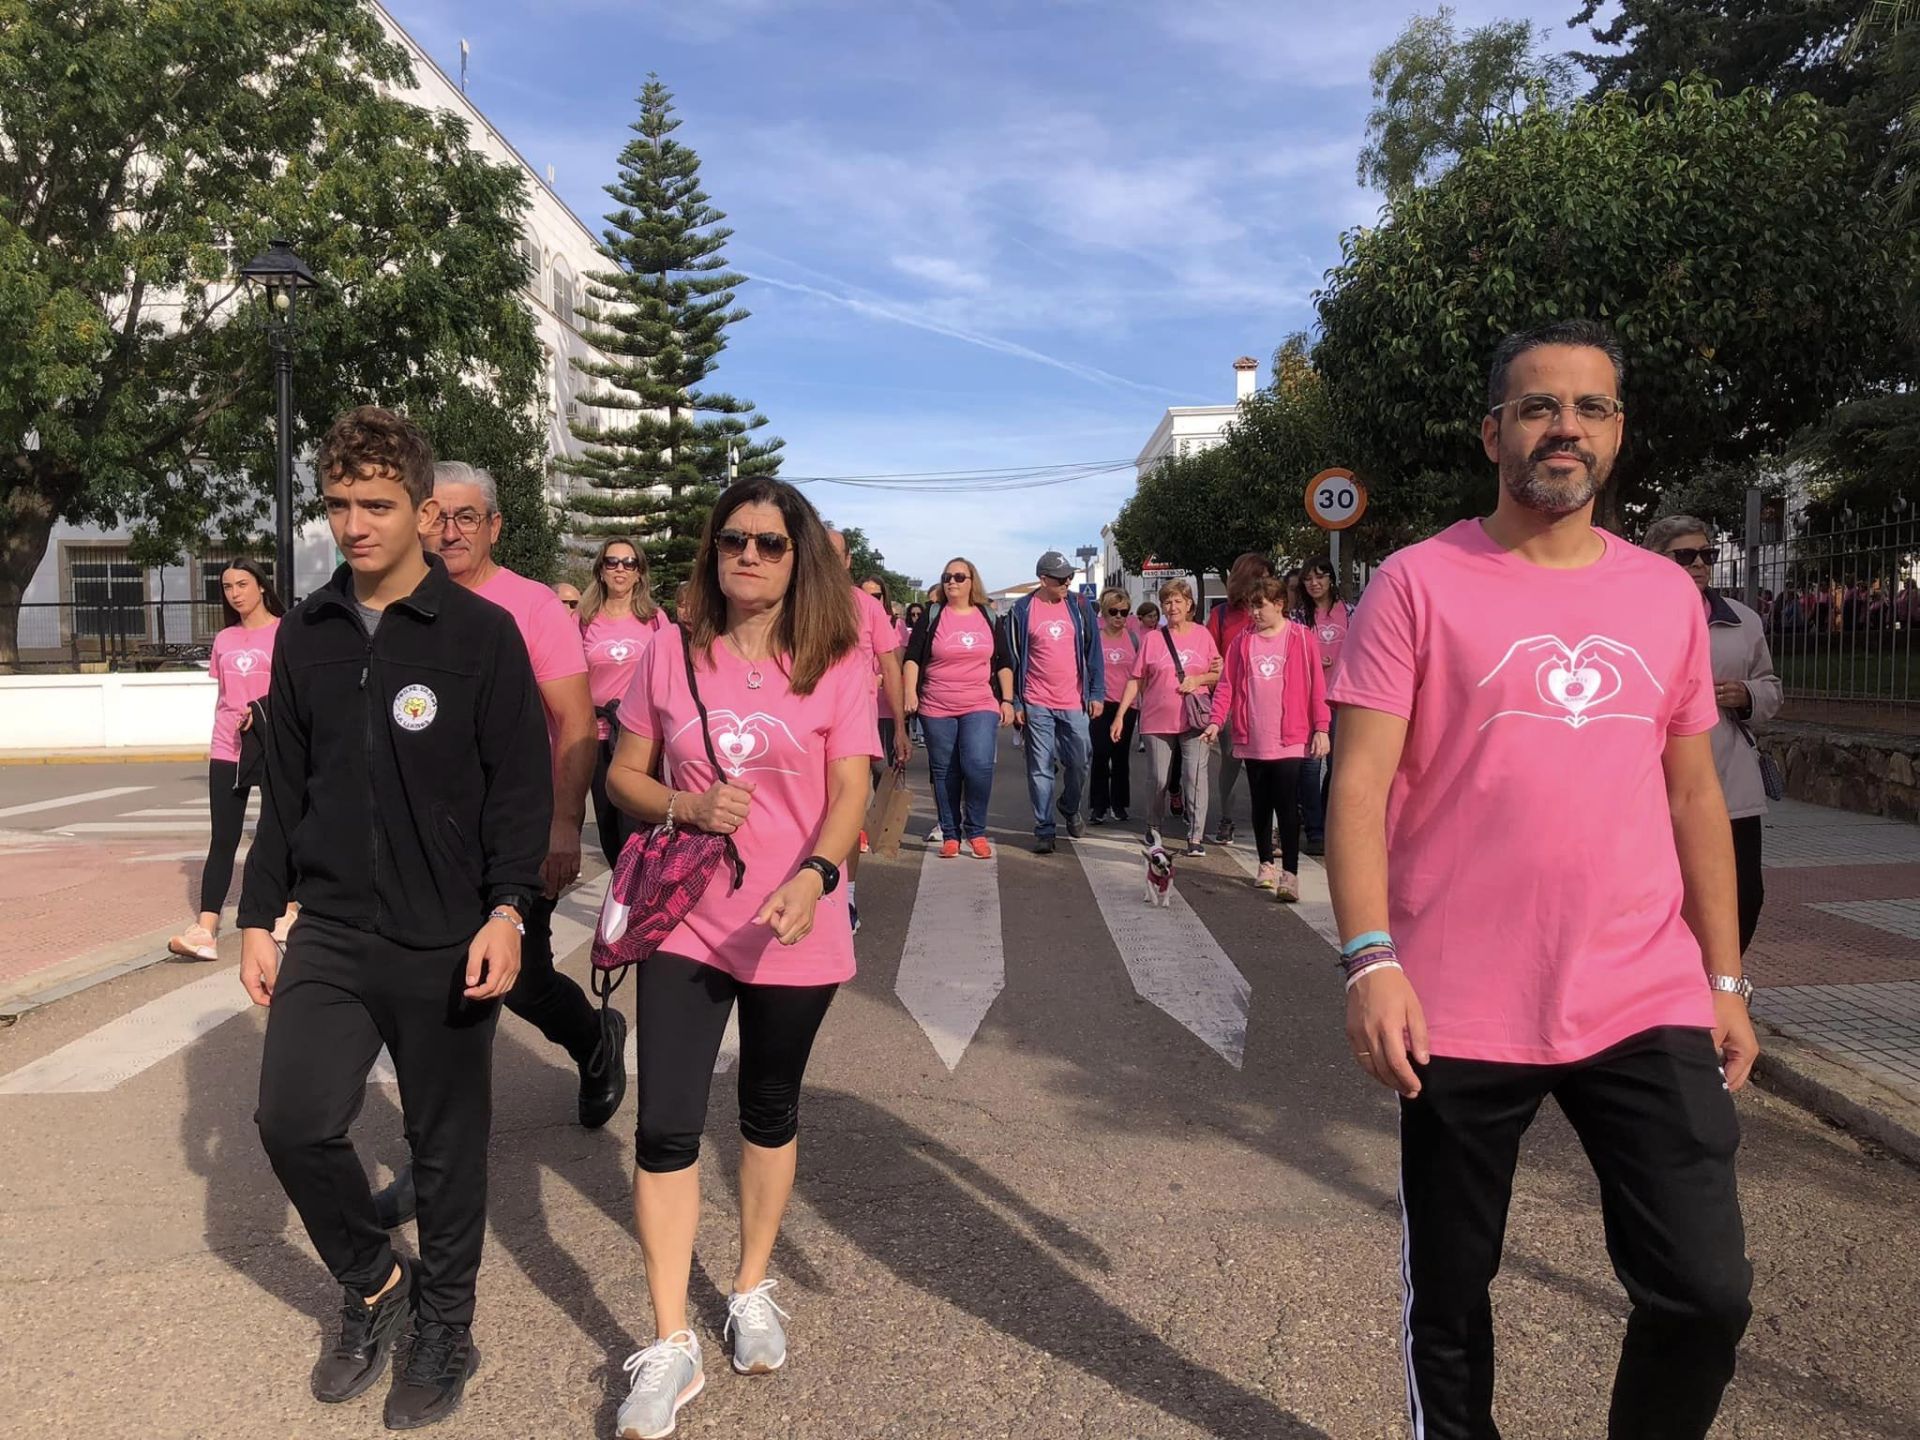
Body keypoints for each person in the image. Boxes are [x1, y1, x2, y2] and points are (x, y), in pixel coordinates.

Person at [1329, 320, 1757, 1440]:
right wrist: (1370, 960)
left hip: (1641, 992)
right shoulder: (1416, 585)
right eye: (1538, 407)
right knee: (1456, 1304)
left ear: (1617, 435)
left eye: (1591, 408)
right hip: (1458, 999)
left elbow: (1694, 796)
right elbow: (1361, 788)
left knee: (1705, 1294)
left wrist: (1726, 980)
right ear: (1493, 433)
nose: (1565, 428)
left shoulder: (1665, 596)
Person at [240, 406, 548, 1429]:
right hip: (328, 925)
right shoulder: (309, 631)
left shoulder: (479, 635)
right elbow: (283, 784)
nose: (355, 524)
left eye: (377, 504)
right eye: (339, 504)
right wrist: (253, 916)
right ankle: (376, 1282)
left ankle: (447, 1325)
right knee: (290, 1118)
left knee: (448, 1143)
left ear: (425, 511)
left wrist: (508, 909)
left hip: (445, 931)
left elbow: (520, 789)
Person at [603, 478, 876, 1437]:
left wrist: (814, 875)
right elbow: (622, 775)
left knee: (766, 1110)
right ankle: (671, 1342)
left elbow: (851, 790)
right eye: (732, 541)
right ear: (712, 553)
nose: (748, 557)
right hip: (685, 920)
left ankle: (751, 1287)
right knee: (667, 1126)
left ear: (798, 556)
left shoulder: (838, 660)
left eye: (768, 542)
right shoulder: (667, 656)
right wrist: (682, 805)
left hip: (796, 922)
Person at [425, 461, 624, 1129]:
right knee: (439, 986)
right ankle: (438, 1150)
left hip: (516, 831)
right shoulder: (399, 602)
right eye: (436, 515)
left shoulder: (533, 606)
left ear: (494, 528)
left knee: (525, 983)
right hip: (431, 834)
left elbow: (574, 721)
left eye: (466, 517)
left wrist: (565, 826)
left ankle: (595, 1039)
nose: (449, 532)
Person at [1645, 517, 1783, 953]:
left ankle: (1720, 986)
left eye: (1708, 554)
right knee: (1670, 897)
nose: (1700, 564)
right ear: (1656, 559)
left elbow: (1770, 687)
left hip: (1731, 782)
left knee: (1745, 895)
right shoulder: (1635, 617)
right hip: (1659, 782)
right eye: (1685, 555)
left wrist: (1745, 694)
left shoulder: (1742, 620)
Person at [170, 558, 289, 961]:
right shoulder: (223, 639)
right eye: (227, 586)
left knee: (279, 830)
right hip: (227, 746)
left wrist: (262, 710)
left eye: (242, 584)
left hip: (274, 743)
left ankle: (287, 911)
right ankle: (206, 929)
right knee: (223, 838)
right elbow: (224, 695)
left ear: (261, 586)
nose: (235, 593)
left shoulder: (285, 632)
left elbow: (296, 693)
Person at [1201, 577, 1329, 901]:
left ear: (1279, 604)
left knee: (1286, 803)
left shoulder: (1302, 638)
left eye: (1260, 606)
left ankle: (1290, 875)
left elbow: (1317, 688)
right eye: (1251, 607)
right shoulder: (1242, 643)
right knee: (1261, 802)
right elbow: (1227, 685)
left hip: (1290, 736)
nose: (1254, 613)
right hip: (1253, 734)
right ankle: (1265, 864)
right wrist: (1216, 721)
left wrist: (1322, 728)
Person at [826, 530, 910, 931]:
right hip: (800, 729)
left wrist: (900, 729)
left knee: (849, 811)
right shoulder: (788, 603)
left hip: (853, 727)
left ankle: (846, 898)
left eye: (833, 553)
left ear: (846, 562)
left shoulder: (867, 607)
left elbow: (890, 667)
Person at [903, 558, 1015, 859]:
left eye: (959, 576)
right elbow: (912, 657)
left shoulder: (988, 616)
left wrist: (1007, 699)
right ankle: (950, 834)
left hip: (980, 702)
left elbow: (1004, 661)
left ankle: (976, 830)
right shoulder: (932, 615)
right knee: (945, 770)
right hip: (936, 704)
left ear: (971, 582)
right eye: (946, 577)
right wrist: (910, 692)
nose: (952, 581)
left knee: (978, 765)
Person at [999, 551, 1104, 854]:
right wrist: (1017, 701)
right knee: (1040, 768)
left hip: (1073, 700)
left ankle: (1069, 806)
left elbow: (1093, 652)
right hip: (1037, 701)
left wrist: (1097, 693)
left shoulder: (1080, 605)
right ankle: (1044, 828)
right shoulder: (1022, 610)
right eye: (1060, 579)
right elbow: (1014, 659)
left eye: (1069, 577)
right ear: (1043, 579)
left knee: (1080, 760)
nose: (1067, 582)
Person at [1109, 578, 1220, 855]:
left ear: (1189, 604)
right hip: (1157, 718)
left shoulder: (1203, 635)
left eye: (1178, 601)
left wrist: (1198, 679)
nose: (1172, 607)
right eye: (1167, 602)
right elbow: (1136, 678)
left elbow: (1219, 673)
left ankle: (1195, 836)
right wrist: (1120, 715)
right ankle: (1153, 825)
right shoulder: (1153, 639)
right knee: (1158, 778)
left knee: (1195, 776)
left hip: (1194, 718)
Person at [580, 538, 665, 868]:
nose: (620, 569)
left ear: (639, 573)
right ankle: (622, 901)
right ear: (600, 570)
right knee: (610, 834)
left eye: (629, 563)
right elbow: (571, 676)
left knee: (638, 829)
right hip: (599, 736)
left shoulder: (655, 619)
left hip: (641, 739)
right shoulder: (585, 620)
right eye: (612, 562)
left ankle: (638, 907)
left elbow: (668, 675)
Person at [1204, 553, 1276, 845]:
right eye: (1264, 576)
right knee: (1232, 764)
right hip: (1233, 702)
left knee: (1270, 765)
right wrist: (1215, 667)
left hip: (1268, 699)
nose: (1270, 582)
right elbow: (1208, 655)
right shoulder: (1221, 615)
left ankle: (1270, 827)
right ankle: (1227, 818)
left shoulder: (1271, 612)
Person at [1295, 557, 1352, 858]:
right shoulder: (1297, 617)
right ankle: (1314, 831)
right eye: (1308, 579)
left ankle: (1331, 824)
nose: (1314, 583)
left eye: (1320, 577)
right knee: (1310, 765)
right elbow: (1291, 654)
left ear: (1331, 579)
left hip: (1343, 698)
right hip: (1309, 699)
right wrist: (1313, 662)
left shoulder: (1351, 612)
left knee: (1338, 765)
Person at [1089, 588, 1141, 823]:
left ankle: (1119, 804)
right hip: (1101, 703)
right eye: (1114, 611)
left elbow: (1141, 673)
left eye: (1124, 612)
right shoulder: (1095, 638)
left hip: (1127, 705)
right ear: (1104, 613)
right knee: (1101, 754)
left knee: (1120, 756)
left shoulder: (1133, 638)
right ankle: (1098, 805)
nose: (1119, 617)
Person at [1132, 600, 1160, 754]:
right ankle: (1143, 738)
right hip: (1140, 676)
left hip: (1156, 676)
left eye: (1155, 616)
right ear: (1141, 618)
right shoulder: (1136, 634)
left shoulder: (1162, 631)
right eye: (1150, 616)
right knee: (1141, 708)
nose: (1153, 619)